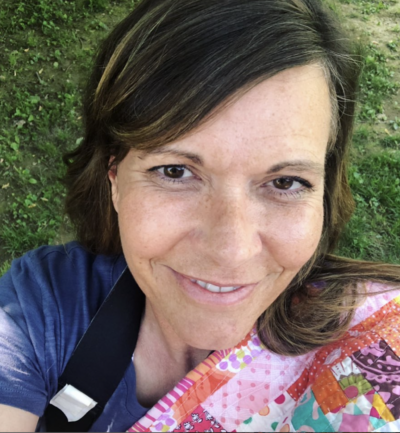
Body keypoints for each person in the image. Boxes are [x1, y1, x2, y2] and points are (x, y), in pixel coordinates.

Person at [0, 0, 400, 431]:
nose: (232, 250)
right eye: (175, 172)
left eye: (285, 182)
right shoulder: (48, 305)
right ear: (114, 176)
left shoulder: (378, 344)